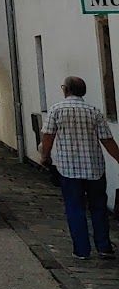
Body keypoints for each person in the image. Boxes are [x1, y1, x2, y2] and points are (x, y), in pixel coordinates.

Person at [40, 76, 119, 260]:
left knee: (75, 208)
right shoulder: (94, 112)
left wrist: (45, 156)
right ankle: (104, 247)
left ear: (66, 89)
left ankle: (81, 250)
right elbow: (107, 140)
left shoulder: (56, 110)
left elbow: (48, 136)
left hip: (68, 169)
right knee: (98, 207)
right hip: (94, 168)